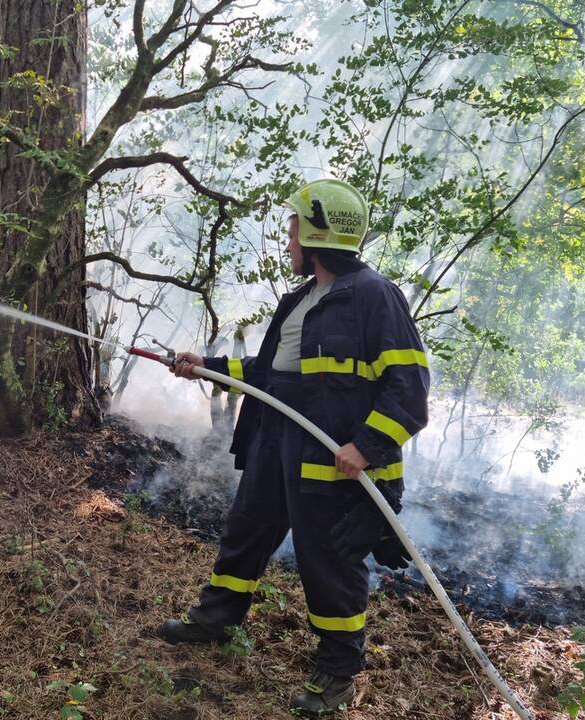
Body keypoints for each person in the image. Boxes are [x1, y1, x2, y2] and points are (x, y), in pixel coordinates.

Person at [158, 179, 429, 717]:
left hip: (332, 463)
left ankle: (336, 672)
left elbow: (410, 387)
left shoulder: (375, 297)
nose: (287, 239)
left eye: (292, 227)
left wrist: (366, 447)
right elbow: (269, 376)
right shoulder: (300, 300)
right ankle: (216, 620)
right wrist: (205, 367)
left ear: (316, 232)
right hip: (274, 445)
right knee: (245, 534)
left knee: (328, 566)